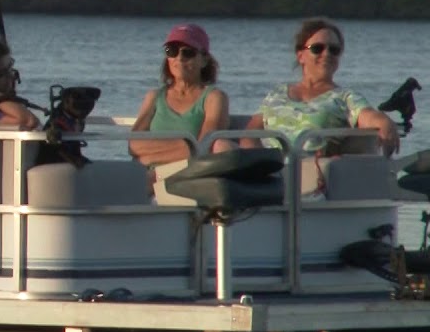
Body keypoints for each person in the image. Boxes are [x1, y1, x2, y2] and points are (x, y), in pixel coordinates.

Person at [242, 17, 399, 158]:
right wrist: (258, 163)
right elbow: (250, 134)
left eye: (334, 50)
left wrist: (384, 122)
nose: (327, 54)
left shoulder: (345, 97)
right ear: (301, 55)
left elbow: (368, 116)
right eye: (317, 48)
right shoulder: (277, 94)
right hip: (271, 174)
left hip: (313, 176)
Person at [128, 23, 231, 199]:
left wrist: (149, 155)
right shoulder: (154, 96)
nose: (179, 58)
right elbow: (134, 145)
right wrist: (184, 147)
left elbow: (203, 147)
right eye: (172, 51)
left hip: (189, 173)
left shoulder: (214, 97)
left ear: (204, 60)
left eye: (188, 52)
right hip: (153, 174)